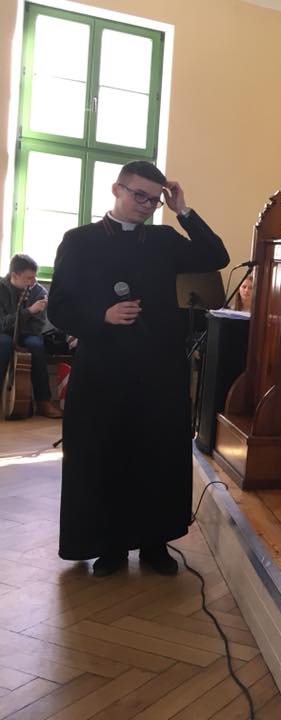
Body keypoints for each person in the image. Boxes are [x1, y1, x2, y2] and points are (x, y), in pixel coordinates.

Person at [48, 160, 229, 577]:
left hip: (159, 369)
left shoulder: (164, 240)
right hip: (102, 369)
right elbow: (59, 306)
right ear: (117, 189)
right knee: (105, 454)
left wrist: (183, 210)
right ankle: (109, 546)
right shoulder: (79, 241)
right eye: (138, 195)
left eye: (154, 199)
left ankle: (154, 544)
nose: (146, 205)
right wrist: (102, 316)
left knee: (156, 454)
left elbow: (216, 255)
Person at [0, 254, 62, 418]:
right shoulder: (1, 288)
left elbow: (36, 328)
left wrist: (18, 320)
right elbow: (2, 324)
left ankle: (43, 401)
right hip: (3, 334)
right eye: (29, 278)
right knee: (3, 344)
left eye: (35, 276)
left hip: (28, 334)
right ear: (14, 275)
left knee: (36, 344)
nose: (33, 281)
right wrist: (29, 311)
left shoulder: (39, 292)